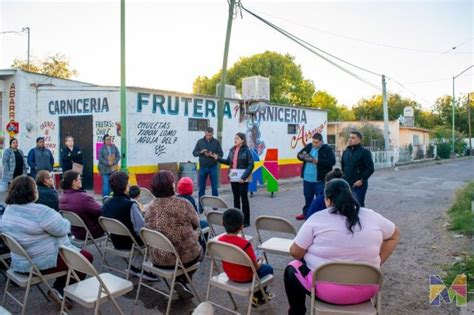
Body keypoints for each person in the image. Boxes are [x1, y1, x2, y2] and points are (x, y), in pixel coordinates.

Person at [284, 179, 400, 314]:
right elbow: (395, 235)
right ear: (350, 196)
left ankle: (297, 312)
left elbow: (295, 253)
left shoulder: (317, 219)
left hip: (327, 292)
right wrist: (377, 262)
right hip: (367, 289)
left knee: (292, 268)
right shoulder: (372, 216)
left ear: (327, 200)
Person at [1, 175, 93, 306]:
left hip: (20, 262)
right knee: (86, 258)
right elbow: (63, 228)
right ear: (31, 192)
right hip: (39, 264)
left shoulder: (9, 210)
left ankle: (60, 288)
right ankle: (60, 290)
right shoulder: (40, 211)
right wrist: (65, 221)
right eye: (36, 189)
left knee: (73, 256)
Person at [145, 170, 202, 299]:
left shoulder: (149, 207)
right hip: (185, 258)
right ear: (172, 186)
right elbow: (196, 223)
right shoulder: (184, 204)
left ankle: (180, 281)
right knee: (200, 248)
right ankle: (182, 280)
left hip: (158, 259)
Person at [102, 171, 157, 281]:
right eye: (128, 184)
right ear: (125, 187)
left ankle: (134, 266)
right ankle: (145, 270)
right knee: (153, 235)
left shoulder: (106, 203)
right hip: (131, 243)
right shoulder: (130, 205)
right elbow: (141, 229)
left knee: (135, 234)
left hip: (116, 240)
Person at [218, 208, 274, 307]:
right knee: (268, 268)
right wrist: (260, 261)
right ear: (242, 227)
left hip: (229, 274)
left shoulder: (219, 240)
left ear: (222, 222)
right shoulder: (245, 244)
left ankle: (258, 296)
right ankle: (258, 296)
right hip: (246, 277)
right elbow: (256, 268)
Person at [211, 133, 254, 227]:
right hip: (234, 177)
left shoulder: (247, 151)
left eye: (237, 138)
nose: (235, 140)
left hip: (243, 178)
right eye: (235, 138)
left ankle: (246, 221)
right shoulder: (232, 150)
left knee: (244, 199)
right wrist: (218, 158)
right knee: (236, 199)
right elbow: (228, 162)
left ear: (242, 140)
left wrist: (244, 177)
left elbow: (251, 165)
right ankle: (237, 220)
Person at [296, 133, 336, 220]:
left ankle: (319, 217)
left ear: (321, 141)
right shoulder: (309, 146)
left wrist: (318, 161)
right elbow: (299, 154)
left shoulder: (327, 149)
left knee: (320, 199)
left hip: (320, 180)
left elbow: (332, 161)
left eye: (316, 142)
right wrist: (301, 156)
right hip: (307, 179)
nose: (314, 144)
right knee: (308, 198)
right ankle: (306, 214)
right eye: (313, 142)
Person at [59, 170, 103, 240]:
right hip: (92, 232)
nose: (81, 181)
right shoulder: (84, 198)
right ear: (74, 182)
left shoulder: (62, 197)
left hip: (75, 232)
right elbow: (101, 211)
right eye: (79, 179)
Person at [192, 127, 223, 212]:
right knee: (201, 188)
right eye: (207, 135)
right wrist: (201, 152)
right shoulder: (200, 142)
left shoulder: (216, 142)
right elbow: (194, 153)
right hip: (202, 167)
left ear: (213, 134)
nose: (208, 136)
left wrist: (213, 154)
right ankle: (201, 207)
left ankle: (215, 207)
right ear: (204, 133)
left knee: (214, 188)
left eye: (210, 135)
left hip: (213, 167)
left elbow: (221, 154)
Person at [341, 131, 375, 207]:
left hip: (358, 185)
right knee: (347, 206)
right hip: (347, 184)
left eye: (353, 138)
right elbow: (343, 167)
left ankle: (360, 219)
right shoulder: (346, 152)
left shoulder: (364, 152)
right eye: (349, 137)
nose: (350, 139)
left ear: (359, 140)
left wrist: (362, 180)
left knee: (358, 205)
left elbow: (370, 168)